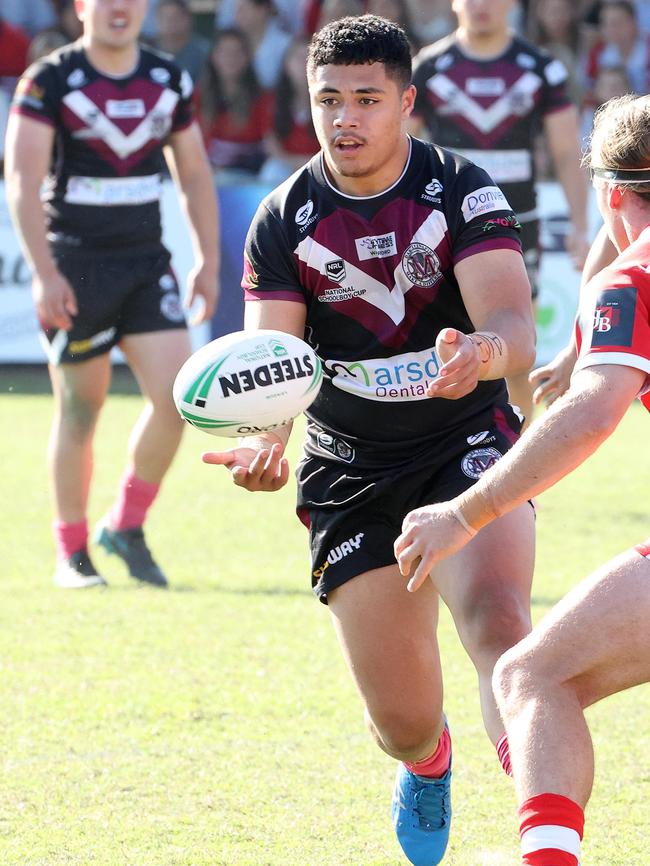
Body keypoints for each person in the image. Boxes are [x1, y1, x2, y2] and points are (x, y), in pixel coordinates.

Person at [202, 14, 536, 866]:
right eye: (328, 100)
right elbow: (271, 363)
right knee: (402, 722)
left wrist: (484, 356)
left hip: (468, 441)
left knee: (497, 625)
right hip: (351, 469)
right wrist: (265, 440)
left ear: (408, 103)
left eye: (365, 99)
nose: (344, 118)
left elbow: (511, 322)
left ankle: (546, 833)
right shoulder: (283, 218)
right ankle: (430, 766)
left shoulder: (461, 190)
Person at [394, 92, 650, 866]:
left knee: (531, 675)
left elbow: (593, 415)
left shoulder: (631, 283)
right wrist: (586, 344)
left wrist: (465, 513)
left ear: (607, 194)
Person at [5, 0, 220, 590]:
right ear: (82, 7)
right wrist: (45, 272)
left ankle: (125, 524)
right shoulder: (48, 79)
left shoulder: (167, 76)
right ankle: (71, 553)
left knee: (181, 398)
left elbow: (194, 172)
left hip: (147, 261)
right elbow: (22, 178)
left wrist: (209, 261)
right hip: (75, 265)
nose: (119, 7)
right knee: (80, 409)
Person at [410, 0, 590, 428]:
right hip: (441, 225)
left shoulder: (541, 68)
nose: (482, 6)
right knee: (435, 344)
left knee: (515, 350)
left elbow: (567, 153)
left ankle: (517, 470)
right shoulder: (429, 68)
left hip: (516, 224)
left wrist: (581, 226)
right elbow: (403, 149)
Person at [197, 27, 274, 178]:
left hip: (248, 174)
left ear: (247, 57)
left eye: (237, 52)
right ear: (213, 56)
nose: (230, 58)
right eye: (224, 52)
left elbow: (268, 146)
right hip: (208, 171)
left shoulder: (263, 98)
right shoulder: (197, 96)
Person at [155, 0, 210, 83]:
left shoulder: (204, 51)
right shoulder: (149, 50)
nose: (168, 22)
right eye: (164, 17)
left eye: (174, 17)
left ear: (187, 19)